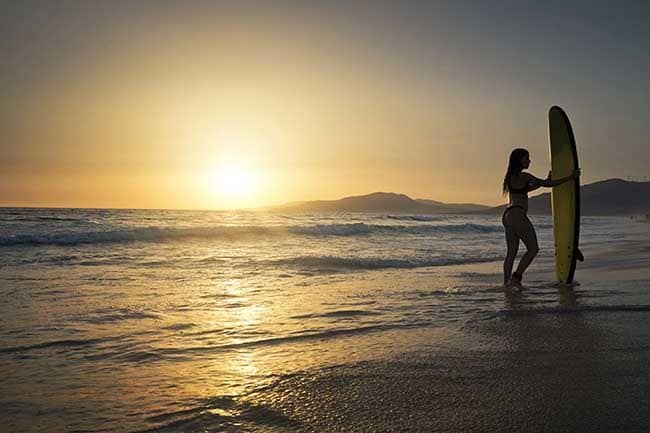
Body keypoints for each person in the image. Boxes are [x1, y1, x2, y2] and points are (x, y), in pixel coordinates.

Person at [502, 148, 579, 290]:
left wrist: (545, 180)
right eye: (526, 158)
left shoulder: (510, 177)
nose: (529, 161)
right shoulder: (524, 176)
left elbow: (528, 189)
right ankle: (516, 277)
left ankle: (506, 285)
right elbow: (547, 185)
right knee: (533, 249)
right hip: (518, 215)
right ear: (519, 160)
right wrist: (570, 177)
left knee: (511, 252)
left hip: (507, 215)